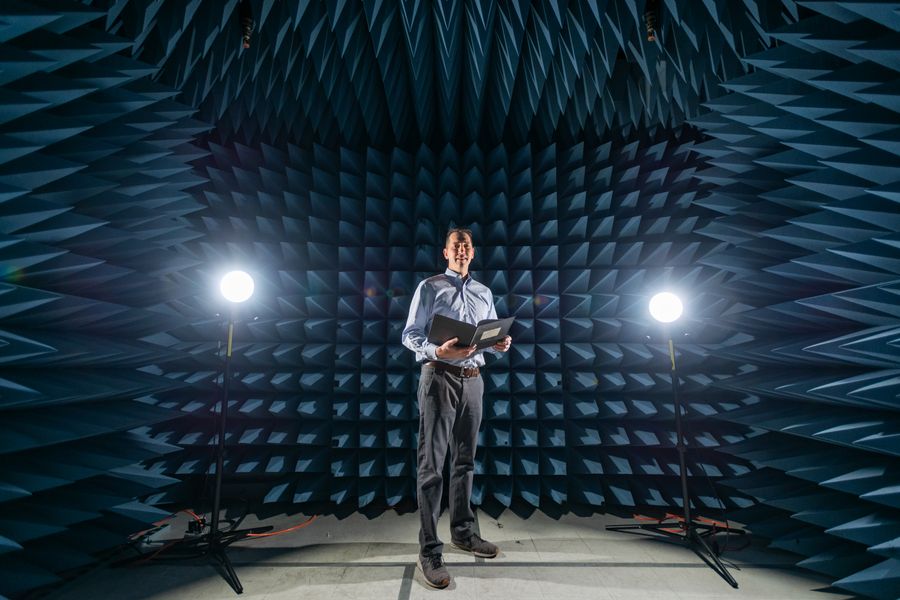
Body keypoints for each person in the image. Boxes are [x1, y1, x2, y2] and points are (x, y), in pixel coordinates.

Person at [401, 227, 512, 589]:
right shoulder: (430, 287)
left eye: (467, 246)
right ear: (446, 253)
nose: (462, 250)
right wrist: (438, 352)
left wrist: (499, 343)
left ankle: (463, 532)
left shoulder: (484, 292)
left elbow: (489, 333)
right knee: (431, 466)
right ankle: (429, 550)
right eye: (456, 246)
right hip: (438, 378)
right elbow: (410, 335)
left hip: (474, 380)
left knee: (465, 461)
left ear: (473, 253)